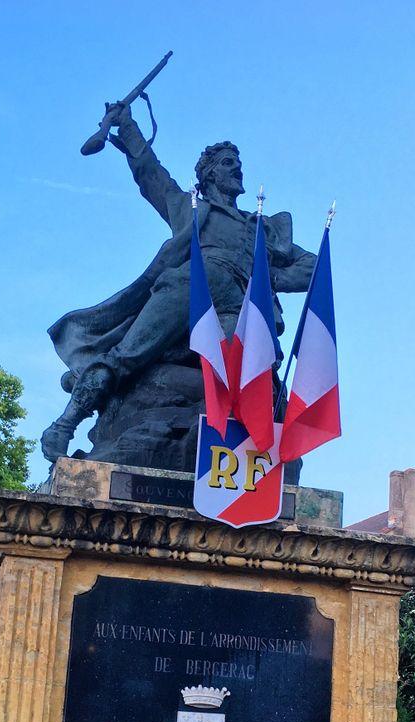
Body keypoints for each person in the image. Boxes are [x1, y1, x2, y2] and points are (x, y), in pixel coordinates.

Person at [41, 103, 316, 470]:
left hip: (239, 303)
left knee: (255, 373)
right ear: (208, 176)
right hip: (190, 287)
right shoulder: (191, 208)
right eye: (227, 163)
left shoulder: (260, 228)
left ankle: (243, 460)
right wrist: (127, 125)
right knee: (129, 355)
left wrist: (270, 280)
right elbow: (151, 174)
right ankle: (65, 424)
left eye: (238, 163)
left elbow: (311, 265)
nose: (237, 168)